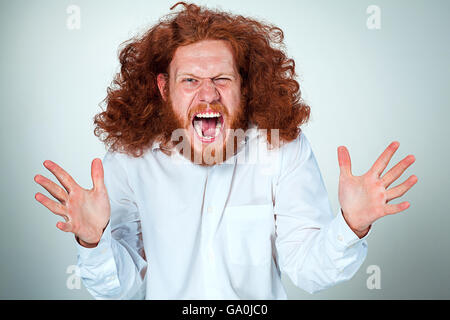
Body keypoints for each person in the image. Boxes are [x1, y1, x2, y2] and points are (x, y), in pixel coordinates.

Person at [33, 2, 417, 299]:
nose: (208, 94)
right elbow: (124, 289)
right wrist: (92, 241)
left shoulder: (281, 148)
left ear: (243, 87)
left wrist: (351, 225)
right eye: (190, 80)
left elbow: (308, 271)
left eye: (221, 78)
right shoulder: (130, 159)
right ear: (164, 88)